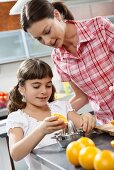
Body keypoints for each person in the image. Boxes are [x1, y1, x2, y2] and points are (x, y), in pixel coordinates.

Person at [20, 0, 114, 125]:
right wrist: (44, 115)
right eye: (39, 38)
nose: (47, 41)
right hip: (108, 126)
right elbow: (81, 97)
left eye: (47, 31)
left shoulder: (99, 27)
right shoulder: (58, 58)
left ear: (57, 15)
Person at [6, 58, 95, 170]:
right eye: (36, 86)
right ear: (22, 88)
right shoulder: (17, 118)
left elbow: (85, 130)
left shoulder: (61, 107)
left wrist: (87, 118)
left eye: (48, 85)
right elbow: (16, 154)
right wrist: (41, 130)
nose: (44, 91)